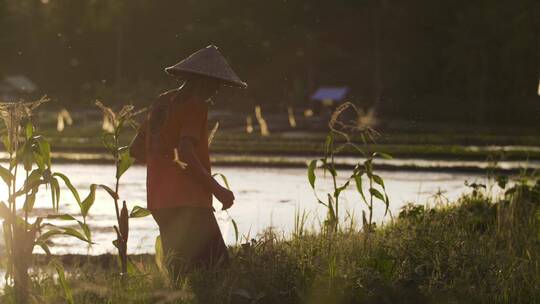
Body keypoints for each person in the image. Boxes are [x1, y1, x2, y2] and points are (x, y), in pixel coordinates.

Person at [130, 45, 247, 279]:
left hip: (160, 201)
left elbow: (137, 150)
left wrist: (164, 168)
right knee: (217, 272)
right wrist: (218, 190)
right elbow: (185, 150)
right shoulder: (195, 105)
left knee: (182, 275)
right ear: (203, 81)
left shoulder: (162, 102)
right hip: (189, 204)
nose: (215, 91)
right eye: (215, 85)